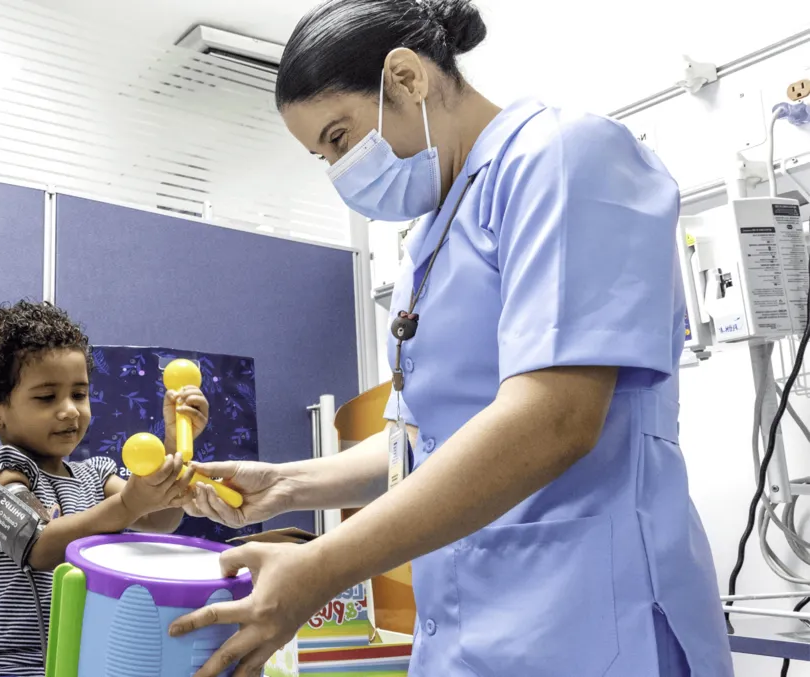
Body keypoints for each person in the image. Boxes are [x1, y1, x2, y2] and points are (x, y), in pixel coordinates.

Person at [169, 1, 736, 676]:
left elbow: (554, 418)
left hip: (591, 617)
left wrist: (320, 566)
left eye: (341, 138)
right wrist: (287, 484)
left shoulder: (563, 157)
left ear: (407, 78)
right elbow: (422, 439)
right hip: (470, 633)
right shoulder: (431, 238)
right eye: (324, 156)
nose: (341, 170)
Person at [0, 300, 210, 677]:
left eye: (79, 394)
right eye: (46, 397)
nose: (70, 410)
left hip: (80, 661)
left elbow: (160, 518)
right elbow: (38, 546)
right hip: (2, 665)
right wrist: (129, 503)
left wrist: (174, 443)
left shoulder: (95, 474)